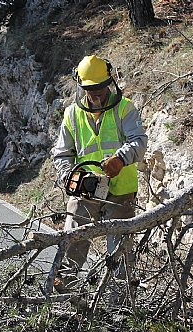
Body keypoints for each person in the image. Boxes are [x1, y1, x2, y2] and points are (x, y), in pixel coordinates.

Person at [51, 55, 148, 299]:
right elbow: (62, 154)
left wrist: (120, 159)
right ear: (81, 87)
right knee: (72, 241)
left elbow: (139, 141)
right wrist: (70, 177)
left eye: (100, 89)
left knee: (120, 253)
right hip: (85, 190)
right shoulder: (72, 114)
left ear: (109, 83)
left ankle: (121, 308)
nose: (96, 95)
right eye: (90, 90)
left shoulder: (124, 107)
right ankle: (66, 298)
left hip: (121, 191)